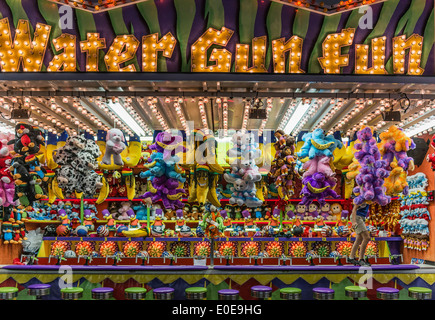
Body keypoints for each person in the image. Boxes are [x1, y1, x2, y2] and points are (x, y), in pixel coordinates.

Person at [348, 201, 371, 266]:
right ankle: (361, 259)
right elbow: (354, 209)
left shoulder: (369, 197)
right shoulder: (360, 198)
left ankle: (351, 257)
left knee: (359, 238)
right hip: (357, 217)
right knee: (366, 237)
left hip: (362, 218)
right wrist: (354, 221)